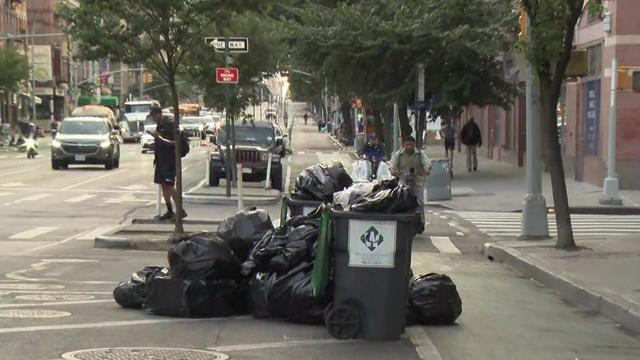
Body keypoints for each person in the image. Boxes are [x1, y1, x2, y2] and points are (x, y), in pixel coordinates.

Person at [150, 105, 186, 221]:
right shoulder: (160, 125)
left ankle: (180, 210)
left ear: (159, 114)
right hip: (161, 159)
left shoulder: (169, 123)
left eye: (154, 116)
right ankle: (170, 210)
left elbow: (174, 142)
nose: (153, 118)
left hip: (170, 159)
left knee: (169, 185)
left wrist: (159, 137)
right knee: (164, 185)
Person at [390, 136, 432, 226]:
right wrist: (393, 171)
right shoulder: (398, 154)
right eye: (407, 145)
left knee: (420, 202)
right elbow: (392, 164)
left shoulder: (420, 154)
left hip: (417, 180)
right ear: (403, 145)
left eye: (411, 145)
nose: (409, 147)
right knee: (399, 199)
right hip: (403, 180)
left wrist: (427, 168)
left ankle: (421, 222)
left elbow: (427, 163)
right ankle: (399, 222)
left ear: (414, 145)